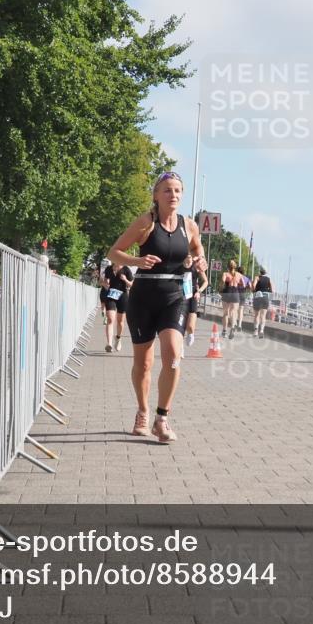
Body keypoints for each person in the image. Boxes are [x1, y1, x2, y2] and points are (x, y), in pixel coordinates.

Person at [107, 172, 206, 443]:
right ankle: (142, 410)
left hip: (175, 296)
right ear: (156, 195)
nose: (172, 195)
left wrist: (199, 262)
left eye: (177, 191)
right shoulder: (145, 222)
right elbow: (113, 252)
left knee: (174, 353)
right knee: (144, 362)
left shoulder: (189, 226)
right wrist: (136, 261)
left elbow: (198, 250)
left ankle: (162, 419)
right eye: (167, 190)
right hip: (144, 297)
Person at [100, 262, 134, 352]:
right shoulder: (108, 269)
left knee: (120, 322)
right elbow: (102, 281)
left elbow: (132, 285)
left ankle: (118, 338)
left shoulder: (126, 269)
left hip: (122, 296)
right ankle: (109, 343)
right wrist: (104, 284)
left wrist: (125, 280)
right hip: (111, 295)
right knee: (110, 319)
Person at [184, 265, 208, 347]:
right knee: (180, 324)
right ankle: (180, 347)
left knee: (190, 326)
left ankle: (190, 334)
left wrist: (199, 291)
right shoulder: (179, 262)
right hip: (181, 293)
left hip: (193, 294)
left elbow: (206, 281)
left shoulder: (197, 265)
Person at [220, 260, 242, 339]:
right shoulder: (239, 275)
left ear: (228, 266)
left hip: (227, 292)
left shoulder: (225, 274)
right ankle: (232, 328)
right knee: (233, 312)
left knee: (226, 313)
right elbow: (243, 283)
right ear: (235, 266)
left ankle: (224, 331)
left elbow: (223, 281)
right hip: (235, 293)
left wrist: (221, 287)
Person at [252, 267, 274, 338]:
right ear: (266, 272)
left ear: (260, 271)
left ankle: (255, 331)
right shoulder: (269, 279)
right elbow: (272, 290)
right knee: (263, 315)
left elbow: (253, 285)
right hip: (265, 297)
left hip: (257, 296)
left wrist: (253, 290)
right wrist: (268, 292)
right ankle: (261, 330)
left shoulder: (257, 277)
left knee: (256, 315)